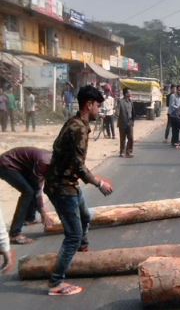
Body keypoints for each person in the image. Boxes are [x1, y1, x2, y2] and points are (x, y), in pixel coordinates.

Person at [44, 85, 114, 296]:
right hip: (62, 187)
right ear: (88, 104)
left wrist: (93, 178)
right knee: (73, 235)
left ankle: (82, 250)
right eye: (98, 106)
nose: (99, 110)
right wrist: (99, 184)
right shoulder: (79, 129)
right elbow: (78, 165)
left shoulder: (75, 122)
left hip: (67, 183)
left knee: (85, 215)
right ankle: (56, 282)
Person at [0, 147, 54, 244]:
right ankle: (14, 234)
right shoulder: (44, 162)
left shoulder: (52, 160)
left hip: (19, 165)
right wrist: (43, 212)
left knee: (32, 189)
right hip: (6, 164)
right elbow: (38, 188)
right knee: (28, 192)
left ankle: (29, 218)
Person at [116, 88, 134, 158]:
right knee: (122, 138)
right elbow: (117, 111)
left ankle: (129, 152)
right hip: (122, 123)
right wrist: (117, 114)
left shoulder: (131, 102)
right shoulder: (120, 102)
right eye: (129, 92)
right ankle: (122, 152)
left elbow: (132, 113)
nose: (131, 93)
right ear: (126, 94)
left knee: (131, 138)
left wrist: (132, 121)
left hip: (129, 123)